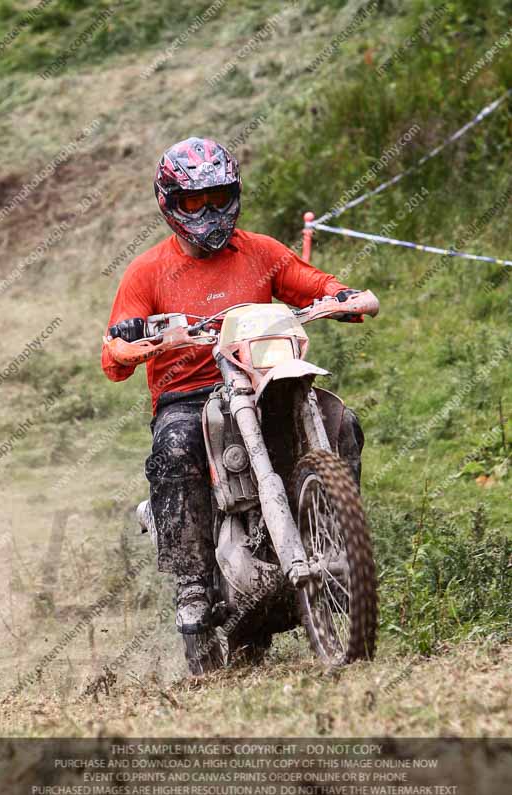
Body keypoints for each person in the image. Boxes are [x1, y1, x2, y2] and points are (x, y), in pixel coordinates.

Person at [101, 137, 364, 634]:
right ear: (171, 204)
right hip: (189, 392)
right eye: (195, 202)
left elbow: (311, 280)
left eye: (217, 198)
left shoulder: (261, 251)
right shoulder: (147, 271)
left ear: (235, 194)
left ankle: (340, 535)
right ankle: (193, 582)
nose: (209, 210)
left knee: (342, 421)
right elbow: (113, 355)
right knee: (176, 447)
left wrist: (340, 295)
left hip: (263, 374)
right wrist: (130, 339)